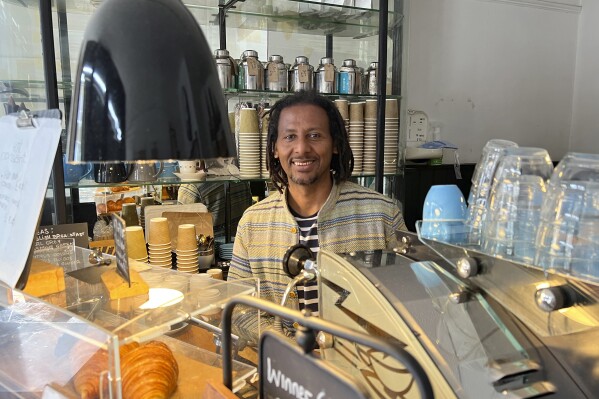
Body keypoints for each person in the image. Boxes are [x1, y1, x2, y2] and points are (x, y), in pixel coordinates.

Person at [227, 90, 406, 341]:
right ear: (275, 148)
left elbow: (406, 304)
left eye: (314, 135)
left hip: (363, 369)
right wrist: (289, 349)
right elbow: (239, 308)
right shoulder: (252, 223)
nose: (301, 148)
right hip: (284, 369)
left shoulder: (382, 215)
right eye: (290, 137)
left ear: (335, 145)